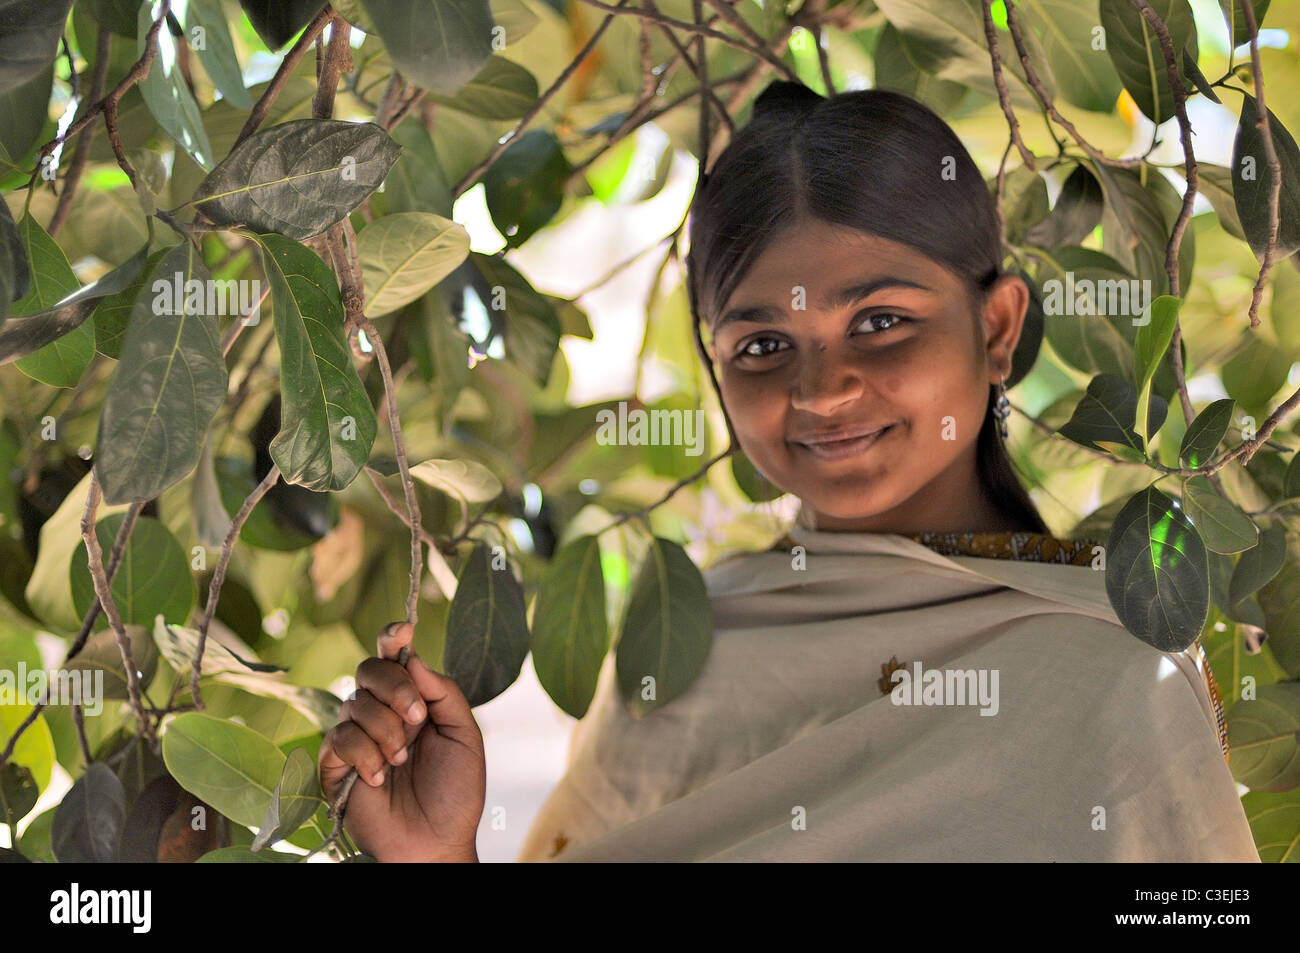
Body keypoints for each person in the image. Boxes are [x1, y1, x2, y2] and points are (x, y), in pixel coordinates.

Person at [318, 80, 1259, 862]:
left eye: (880, 320)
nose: (822, 389)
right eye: (764, 342)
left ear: (999, 328)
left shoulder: (1114, 672)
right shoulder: (680, 659)